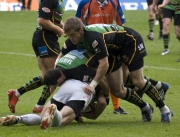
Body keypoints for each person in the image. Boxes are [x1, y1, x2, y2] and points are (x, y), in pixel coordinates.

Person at [62, 16, 173, 123]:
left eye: (73, 35)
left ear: (81, 30)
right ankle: (146, 107)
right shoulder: (72, 41)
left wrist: (92, 85)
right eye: (68, 35)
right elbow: (61, 56)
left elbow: (104, 64)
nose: (71, 38)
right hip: (113, 51)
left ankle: (164, 109)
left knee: (137, 81)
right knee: (117, 90)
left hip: (130, 42)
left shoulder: (92, 37)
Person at [7, 0, 65, 113]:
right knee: (57, 74)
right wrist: (58, 29)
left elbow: (54, 16)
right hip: (46, 37)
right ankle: (40, 106)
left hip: (41, 37)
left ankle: (17, 93)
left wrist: (63, 27)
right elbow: (42, 20)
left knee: (45, 76)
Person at [75, 0, 127, 115]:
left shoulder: (114, 2)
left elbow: (120, 24)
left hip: (109, 43)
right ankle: (83, 105)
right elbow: (76, 25)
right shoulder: (85, 3)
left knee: (113, 76)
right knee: (94, 76)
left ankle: (116, 107)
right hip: (90, 45)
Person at [1, 79, 107, 130]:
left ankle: (18, 119)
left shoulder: (79, 57)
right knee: (60, 122)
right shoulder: (102, 71)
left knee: (42, 118)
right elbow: (102, 102)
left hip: (68, 85)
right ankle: (55, 111)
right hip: (83, 91)